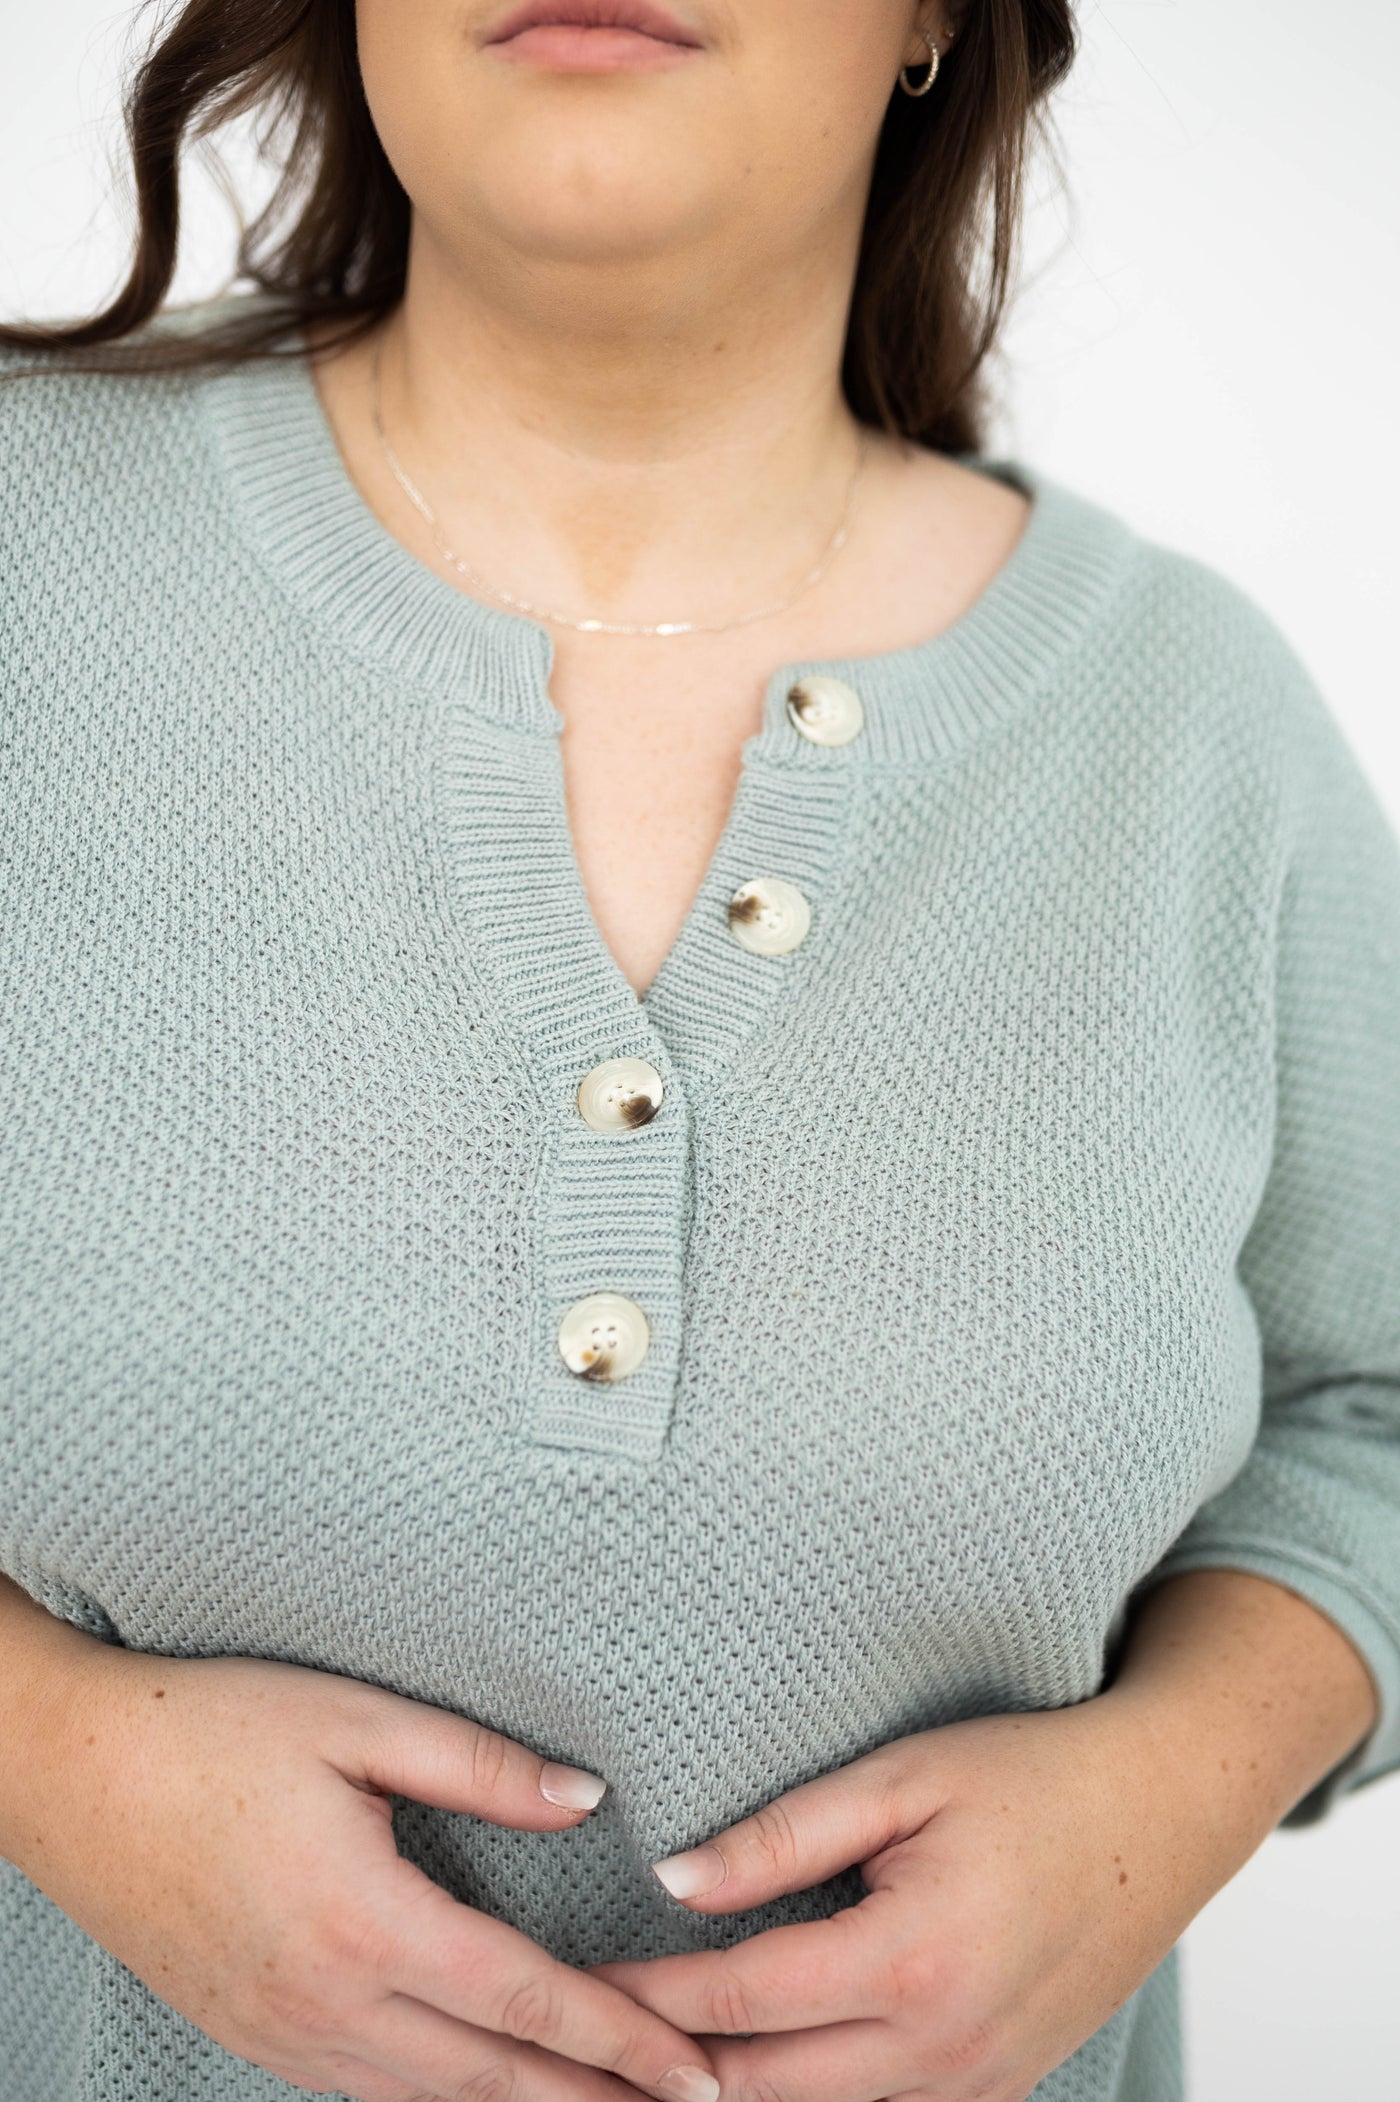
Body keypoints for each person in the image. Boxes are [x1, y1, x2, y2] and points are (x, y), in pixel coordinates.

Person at [1, 1, 1397, 2099]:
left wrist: (1160, 1799)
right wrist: (58, 1770)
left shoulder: (1195, 733)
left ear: (935, 19)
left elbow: (1370, 1402)